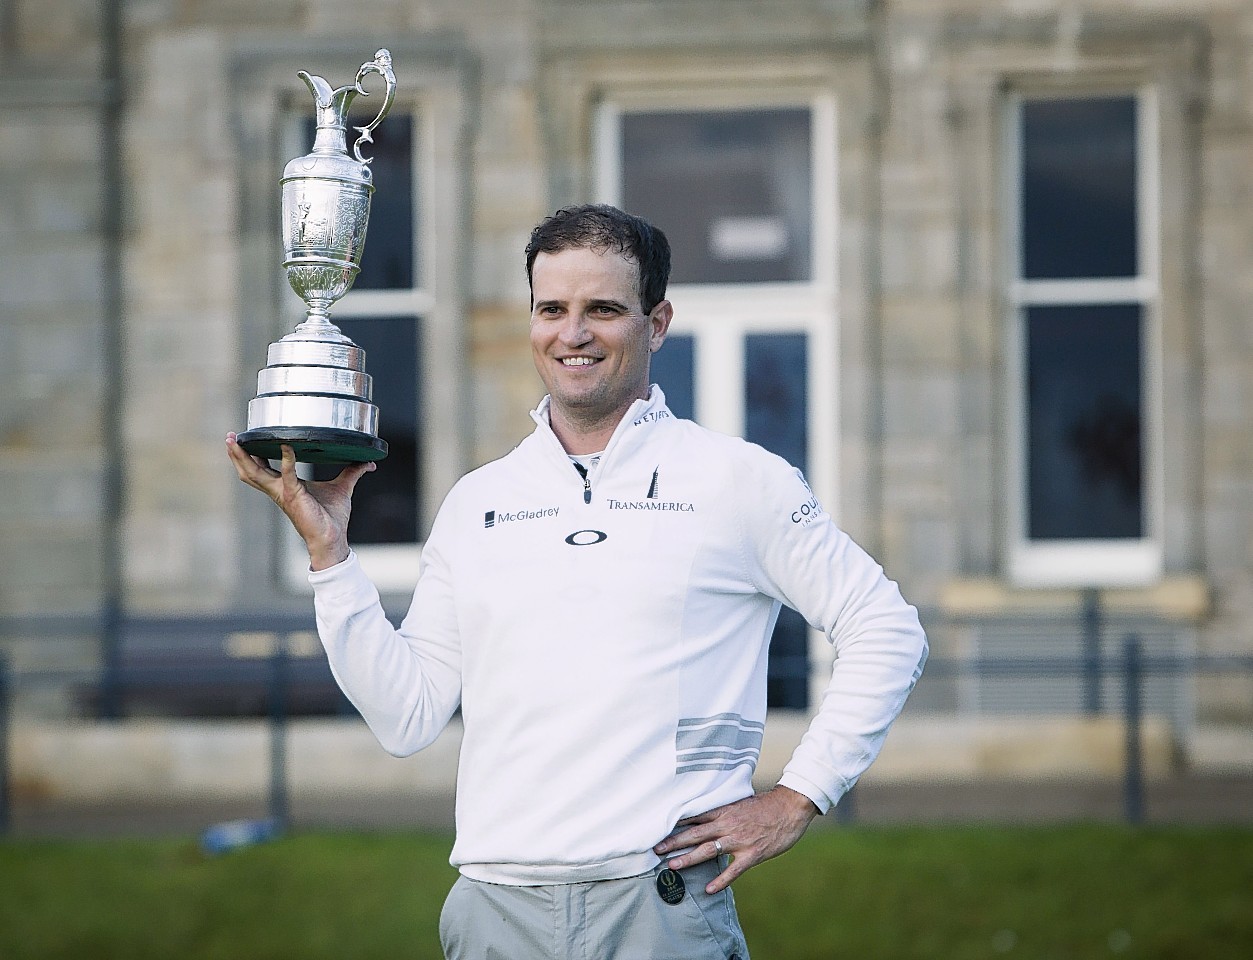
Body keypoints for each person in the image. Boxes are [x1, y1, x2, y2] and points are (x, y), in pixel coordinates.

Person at [226, 203, 927, 959]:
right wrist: (330, 554)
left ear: (656, 323)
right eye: (551, 309)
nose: (573, 334)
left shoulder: (737, 480)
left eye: (603, 309)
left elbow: (884, 629)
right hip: (494, 912)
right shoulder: (478, 500)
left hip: (657, 909)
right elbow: (407, 716)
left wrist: (799, 796)